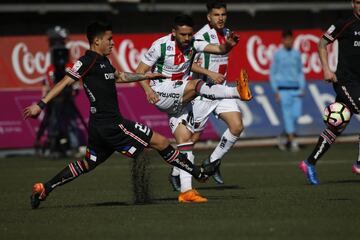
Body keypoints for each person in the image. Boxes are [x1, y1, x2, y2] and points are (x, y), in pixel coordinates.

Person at [24, 21, 218, 209]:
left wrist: (146, 76)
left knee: (87, 164)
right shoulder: (87, 61)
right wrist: (40, 105)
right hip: (112, 125)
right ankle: (197, 172)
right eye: (109, 39)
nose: (113, 43)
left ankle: (45, 188)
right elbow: (64, 82)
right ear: (97, 41)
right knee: (160, 142)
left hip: (99, 127)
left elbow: (121, 77)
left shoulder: (104, 61)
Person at [136, 14, 251, 202]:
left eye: (189, 34)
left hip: (180, 98)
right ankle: (237, 92)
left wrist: (229, 45)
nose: (187, 38)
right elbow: (139, 72)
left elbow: (220, 49)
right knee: (196, 85)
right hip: (161, 92)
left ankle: (186, 191)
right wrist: (148, 90)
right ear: (174, 33)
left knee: (186, 141)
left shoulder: (194, 43)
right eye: (183, 35)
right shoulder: (160, 46)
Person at [169, 0, 248, 193]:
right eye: (216, 15)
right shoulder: (199, 37)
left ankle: (212, 162)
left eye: (223, 14)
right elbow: (189, 64)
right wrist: (209, 73)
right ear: (209, 17)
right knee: (191, 139)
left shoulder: (228, 34)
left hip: (220, 90)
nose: (220, 18)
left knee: (237, 126)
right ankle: (175, 172)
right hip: (201, 93)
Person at [299, 0, 360, 185]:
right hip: (345, 82)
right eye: (358, 2)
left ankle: (309, 162)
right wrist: (326, 69)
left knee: (337, 126)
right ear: (353, 4)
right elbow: (321, 44)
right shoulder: (345, 24)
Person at [269, 29, 305, 151]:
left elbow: (300, 72)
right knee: (287, 116)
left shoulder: (297, 54)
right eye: (286, 39)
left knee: (296, 115)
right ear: (283, 40)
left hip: (296, 89)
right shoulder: (278, 54)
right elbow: (272, 73)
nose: (289, 41)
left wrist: (302, 86)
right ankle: (292, 141)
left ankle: (284, 136)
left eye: (291, 39)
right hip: (283, 90)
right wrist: (276, 90)